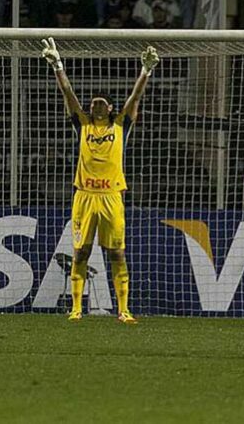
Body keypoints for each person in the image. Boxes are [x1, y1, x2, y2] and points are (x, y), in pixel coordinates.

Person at [41, 38, 158, 323]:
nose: (96, 106)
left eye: (101, 103)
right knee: (81, 251)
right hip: (84, 196)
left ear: (110, 106)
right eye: (93, 102)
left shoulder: (120, 126)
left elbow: (135, 99)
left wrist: (145, 73)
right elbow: (68, 95)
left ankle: (124, 309)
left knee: (117, 252)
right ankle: (77, 308)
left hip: (112, 197)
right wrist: (58, 67)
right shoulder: (82, 125)